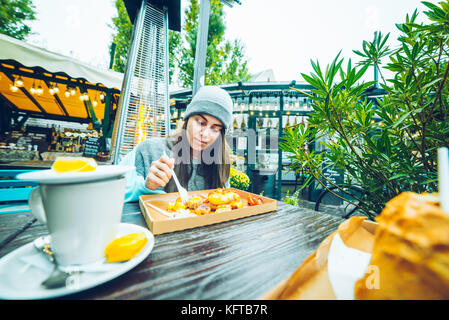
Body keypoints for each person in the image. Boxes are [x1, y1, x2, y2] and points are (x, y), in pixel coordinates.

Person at [121, 85, 233, 202]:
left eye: (215, 129)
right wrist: (146, 187)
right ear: (187, 119)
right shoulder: (149, 150)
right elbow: (112, 195)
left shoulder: (219, 163)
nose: (205, 134)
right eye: (200, 122)